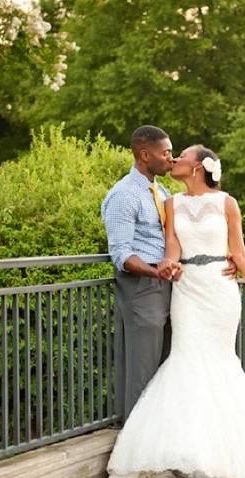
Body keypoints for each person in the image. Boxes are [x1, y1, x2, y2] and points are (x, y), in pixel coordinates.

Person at [105, 144, 245, 478]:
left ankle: (222, 454)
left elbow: (240, 252)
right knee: (184, 361)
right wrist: (168, 265)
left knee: (219, 363)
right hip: (186, 292)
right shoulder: (171, 203)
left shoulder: (227, 203)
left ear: (199, 166)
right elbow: (172, 246)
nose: (174, 161)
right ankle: (179, 450)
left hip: (219, 291)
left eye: (181, 157)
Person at [101, 125, 236, 424]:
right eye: (165, 153)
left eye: (173, 153)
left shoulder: (161, 191)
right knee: (143, 370)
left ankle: (161, 438)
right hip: (142, 289)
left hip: (171, 289)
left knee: (166, 370)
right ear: (144, 154)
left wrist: (222, 258)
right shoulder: (123, 195)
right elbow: (121, 253)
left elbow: (179, 240)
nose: (171, 159)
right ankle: (135, 446)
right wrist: (154, 271)